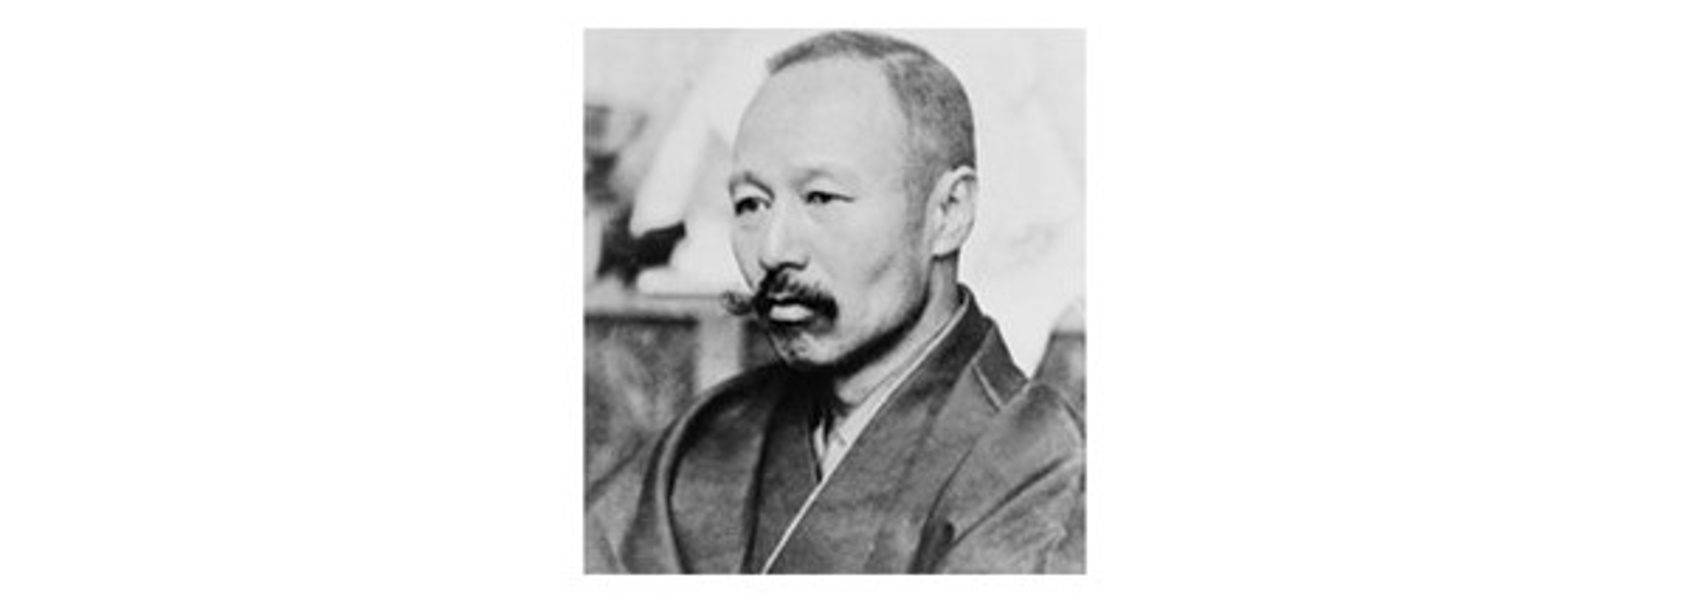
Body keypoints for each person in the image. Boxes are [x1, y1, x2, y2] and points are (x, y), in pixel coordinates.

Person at [589, 30, 1084, 574]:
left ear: (949, 213)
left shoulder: (1038, 460)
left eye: (821, 197)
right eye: (751, 203)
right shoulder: (706, 437)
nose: (773, 249)